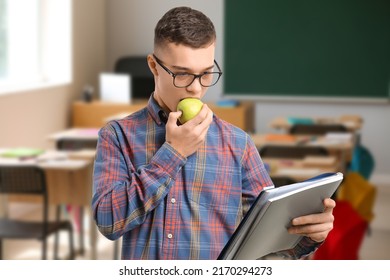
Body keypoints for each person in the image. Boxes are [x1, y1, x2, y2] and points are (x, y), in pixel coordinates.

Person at [92, 6, 336, 260]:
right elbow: (108, 222)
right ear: (154, 66)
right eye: (183, 74)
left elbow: (267, 245)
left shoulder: (238, 144)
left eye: (206, 74)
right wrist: (173, 154)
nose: (196, 89)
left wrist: (309, 235)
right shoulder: (117, 135)